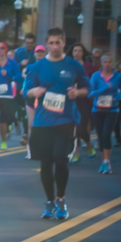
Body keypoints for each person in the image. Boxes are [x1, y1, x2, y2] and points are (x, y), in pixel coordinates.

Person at [24, 28, 89, 220]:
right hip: (43, 122)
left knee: (60, 159)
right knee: (46, 163)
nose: (54, 46)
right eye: (51, 43)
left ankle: (61, 199)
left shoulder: (74, 66)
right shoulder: (36, 67)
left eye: (57, 42)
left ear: (63, 43)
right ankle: (49, 201)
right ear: (46, 44)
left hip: (65, 121)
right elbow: (25, 90)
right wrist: (33, 91)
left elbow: (87, 87)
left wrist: (77, 93)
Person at [0, 42, 21, 149]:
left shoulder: (12, 63)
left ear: (6, 50)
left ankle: (3, 141)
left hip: (7, 95)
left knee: (3, 120)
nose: (0, 50)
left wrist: (8, 75)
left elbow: (18, 78)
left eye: (2, 48)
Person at [89, 54, 120, 173]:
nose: (107, 64)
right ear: (101, 63)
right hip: (97, 110)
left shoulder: (118, 76)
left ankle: (107, 162)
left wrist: (116, 98)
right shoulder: (95, 76)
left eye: (110, 62)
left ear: (113, 63)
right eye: (105, 62)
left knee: (106, 134)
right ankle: (103, 162)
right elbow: (90, 93)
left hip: (112, 109)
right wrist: (105, 87)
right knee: (101, 135)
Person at [67, 42, 97, 163]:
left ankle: (89, 144)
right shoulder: (68, 65)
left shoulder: (88, 66)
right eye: (75, 50)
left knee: (81, 129)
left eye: (79, 51)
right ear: (72, 52)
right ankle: (76, 154)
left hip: (85, 100)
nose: (77, 53)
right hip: (71, 101)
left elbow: (94, 81)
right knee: (72, 129)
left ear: (83, 53)